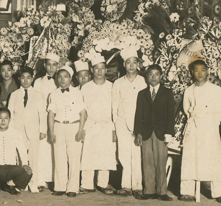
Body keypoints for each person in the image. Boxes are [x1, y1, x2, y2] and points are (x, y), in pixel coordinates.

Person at [179, 59, 221, 203]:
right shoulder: (189, 91)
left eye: (203, 70)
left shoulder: (216, 90)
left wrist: (211, 122)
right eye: (196, 70)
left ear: (208, 71)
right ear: (192, 72)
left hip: (210, 128)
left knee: (214, 159)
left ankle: (220, 192)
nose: (200, 73)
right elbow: (186, 109)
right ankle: (187, 190)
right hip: (194, 128)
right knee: (190, 158)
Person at [134, 64, 174, 201]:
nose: (153, 77)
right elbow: (138, 114)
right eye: (151, 74)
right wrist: (138, 132)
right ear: (146, 77)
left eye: (157, 74)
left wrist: (169, 133)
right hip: (146, 132)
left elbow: (170, 115)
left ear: (161, 76)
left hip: (161, 133)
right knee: (147, 161)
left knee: (161, 161)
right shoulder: (142, 94)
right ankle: (149, 190)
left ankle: (162, 191)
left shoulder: (167, 93)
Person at [80, 53, 117, 194]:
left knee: (106, 155)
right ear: (92, 70)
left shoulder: (112, 86)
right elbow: (83, 110)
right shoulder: (86, 88)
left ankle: (103, 183)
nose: (100, 71)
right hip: (90, 124)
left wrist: (113, 129)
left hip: (107, 125)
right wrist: (82, 128)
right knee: (88, 154)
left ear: (106, 70)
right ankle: (87, 184)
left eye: (102, 68)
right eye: (96, 68)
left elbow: (114, 109)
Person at [47, 64, 86, 197]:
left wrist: (81, 130)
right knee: (59, 156)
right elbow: (51, 114)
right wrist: (51, 132)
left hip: (74, 126)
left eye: (66, 77)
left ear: (70, 78)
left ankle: (72, 188)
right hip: (59, 126)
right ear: (56, 79)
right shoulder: (53, 94)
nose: (62, 79)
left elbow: (83, 113)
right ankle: (60, 186)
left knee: (74, 157)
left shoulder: (77, 93)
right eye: (60, 77)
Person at [113, 49, 148, 196]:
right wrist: (115, 126)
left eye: (134, 62)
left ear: (138, 64)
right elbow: (114, 106)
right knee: (124, 154)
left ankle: (138, 186)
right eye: (128, 62)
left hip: (139, 123)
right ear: (124, 64)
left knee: (137, 154)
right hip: (122, 122)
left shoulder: (144, 81)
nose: (131, 66)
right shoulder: (118, 83)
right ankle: (126, 185)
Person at [7, 66, 44, 192]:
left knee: (33, 158)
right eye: (23, 78)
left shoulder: (38, 95)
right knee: (19, 157)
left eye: (28, 78)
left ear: (32, 78)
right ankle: (19, 182)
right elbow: (10, 114)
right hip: (18, 130)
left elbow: (42, 114)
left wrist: (43, 130)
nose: (26, 80)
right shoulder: (14, 95)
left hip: (34, 131)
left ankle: (33, 183)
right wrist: (10, 131)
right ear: (19, 79)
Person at [33, 52, 60, 190]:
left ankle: (55, 179)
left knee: (55, 149)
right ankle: (41, 180)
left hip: (58, 119)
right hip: (42, 118)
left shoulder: (61, 81)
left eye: (54, 65)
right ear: (44, 65)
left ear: (58, 66)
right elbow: (36, 102)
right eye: (48, 65)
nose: (51, 68)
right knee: (42, 149)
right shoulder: (38, 82)